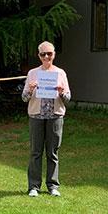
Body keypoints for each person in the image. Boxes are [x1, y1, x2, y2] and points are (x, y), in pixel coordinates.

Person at [22, 41, 71, 197]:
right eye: (43, 54)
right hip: (36, 116)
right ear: (39, 55)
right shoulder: (32, 73)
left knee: (53, 152)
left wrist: (62, 92)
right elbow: (24, 98)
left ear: (54, 54)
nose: (46, 57)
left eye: (49, 53)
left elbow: (68, 99)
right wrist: (30, 89)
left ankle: (52, 185)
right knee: (35, 152)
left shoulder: (61, 73)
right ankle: (34, 186)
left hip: (55, 117)